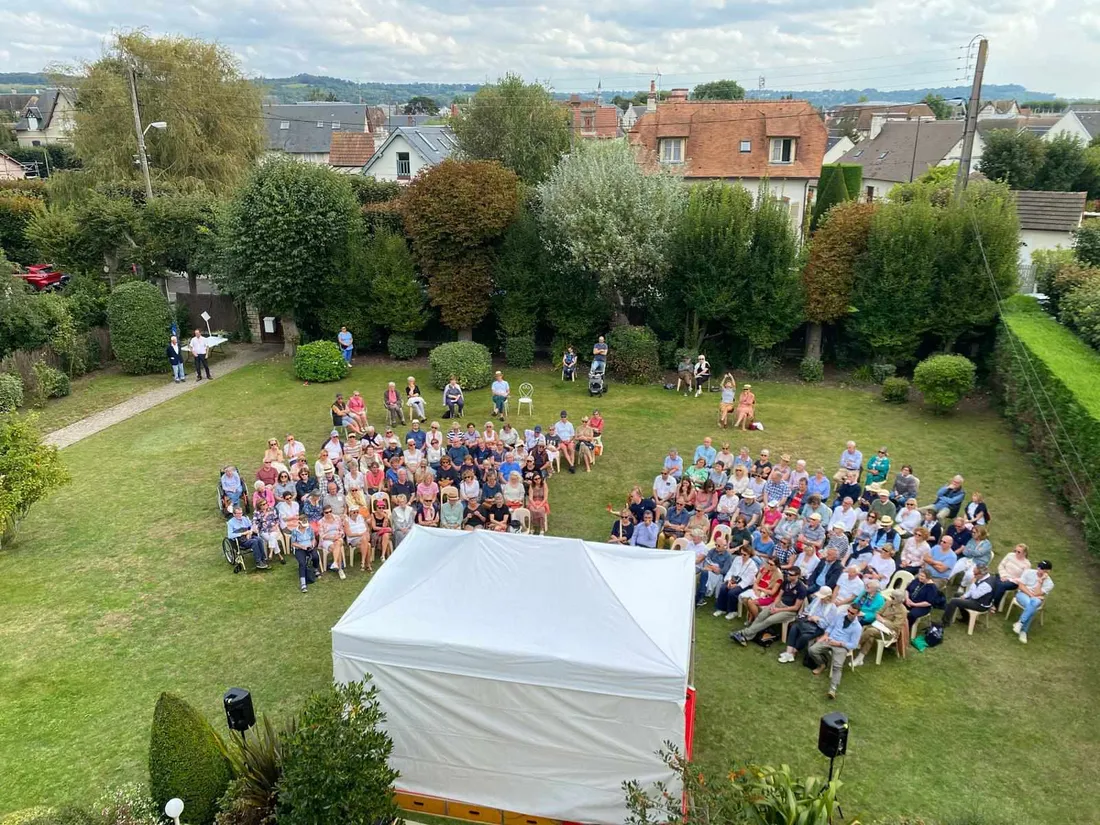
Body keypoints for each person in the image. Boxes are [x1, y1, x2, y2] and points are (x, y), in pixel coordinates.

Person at [731, 566, 806, 645]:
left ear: (797, 575)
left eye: (791, 575)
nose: (788, 576)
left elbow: (795, 607)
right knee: (761, 615)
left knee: (769, 620)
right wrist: (774, 604)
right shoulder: (786, 581)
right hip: (780, 604)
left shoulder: (801, 589)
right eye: (788, 574)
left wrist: (778, 610)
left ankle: (743, 633)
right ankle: (746, 637)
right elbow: (779, 596)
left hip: (789, 611)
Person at [806, 603, 863, 699]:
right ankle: (822, 664)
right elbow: (831, 626)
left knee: (837, 666)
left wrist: (839, 644)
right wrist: (825, 636)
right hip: (830, 640)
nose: (849, 613)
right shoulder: (840, 616)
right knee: (812, 650)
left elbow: (853, 644)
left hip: (841, 646)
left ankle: (832, 689)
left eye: (852, 613)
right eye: (848, 611)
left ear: (857, 614)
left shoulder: (857, 628)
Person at [778, 586, 838, 663]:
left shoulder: (832, 608)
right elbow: (807, 609)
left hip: (819, 627)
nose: (821, 599)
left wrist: (818, 620)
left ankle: (793, 653)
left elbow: (827, 624)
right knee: (794, 627)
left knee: (805, 636)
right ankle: (789, 652)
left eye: (823, 597)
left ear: (828, 597)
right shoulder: (817, 600)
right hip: (808, 621)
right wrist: (809, 615)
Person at [851, 588, 908, 668]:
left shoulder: (902, 611)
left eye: (892, 598)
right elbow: (878, 613)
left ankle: (852, 645)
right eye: (891, 596)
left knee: (870, 631)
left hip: (889, 633)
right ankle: (860, 659)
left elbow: (895, 626)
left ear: (898, 600)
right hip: (878, 626)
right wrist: (879, 618)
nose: (890, 598)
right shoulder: (888, 602)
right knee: (870, 636)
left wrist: (883, 621)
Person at [1013, 560, 1053, 644]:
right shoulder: (1028, 572)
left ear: (1048, 571)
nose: (1039, 569)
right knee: (1032, 606)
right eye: (1039, 566)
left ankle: (1020, 623)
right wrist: (1031, 595)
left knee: (1032, 604)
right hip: (1023, 594)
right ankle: (1023, 631)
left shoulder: (1050, 583)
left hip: (1035, 599)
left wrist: (1040, 581)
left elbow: (1037, 592)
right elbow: (1021, 586)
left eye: (1042, 568)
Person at [942, 565, 994, 629]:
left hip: (980, 605)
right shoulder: (982, 577)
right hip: (976, 599)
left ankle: (945, 622)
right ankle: (966, 618)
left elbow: (974, 596)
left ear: (981, 574)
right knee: (956, 594)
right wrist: (964, 596)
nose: (973, 575)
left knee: (954, 601)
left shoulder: (986, 585)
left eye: (975, 573)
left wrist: (973, 583)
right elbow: (972, 592)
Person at [991, 543, 1031, 612]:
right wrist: (1003, 575)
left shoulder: (1027, 564)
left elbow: (1024, 578)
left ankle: (994, 605)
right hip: (1002, 575)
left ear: (1024, 553)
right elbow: (1001, 565)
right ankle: (988, 600)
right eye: (1015, 550)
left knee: (1001, 585)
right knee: (992, 580)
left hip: (1014, 581)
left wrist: (1011, 579)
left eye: (1019, 552)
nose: (1016, 553)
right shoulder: (1010, 555)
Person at [695, 537, 733, 605]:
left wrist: (712, 568)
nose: (716, 547)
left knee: (704, 573)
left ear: (725, 546)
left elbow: (724, 570)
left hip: (719, 575)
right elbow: (706, 563)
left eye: (718, 545)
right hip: (709, 571)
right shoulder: (712, 551)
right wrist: (713, 568)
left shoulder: (728, 556)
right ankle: (700, 596)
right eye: (716, 544)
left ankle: (700, 596)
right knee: (704, 572)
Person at [742, 556, 782, 622]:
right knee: (744, 599)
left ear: (776, 566)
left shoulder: (779, 576)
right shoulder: (764, 569)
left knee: (750, 602)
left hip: (769, 596)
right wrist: (756, 589)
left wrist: (759, 589)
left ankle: (757, 620)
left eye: (771, 564)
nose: (769, 565)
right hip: (759, 591)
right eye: (768, 563)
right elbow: (756, 582)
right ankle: (753, 615)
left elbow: (772, 592)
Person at [905, 569, 940, 635]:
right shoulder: (917, 580)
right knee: (897, 603)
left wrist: (914, 604)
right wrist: (907, 599)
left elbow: (928, 602)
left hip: (922, 606)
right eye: (920, 575)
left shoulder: (932, 588)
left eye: (923, 576)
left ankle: (906, 629)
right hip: (909, 601)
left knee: (912, 614)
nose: (920, 577)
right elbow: (907, 590)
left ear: (928, 577)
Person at [289, 516, 319, 592]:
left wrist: (312, 544)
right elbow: (293, 543)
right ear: (299, 523)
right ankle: (303, 583)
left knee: (315, 556)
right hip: (300, 549)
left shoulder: (310, 528)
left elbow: (313, 538)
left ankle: (315, 569)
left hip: (309, 546)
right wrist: (302, 546)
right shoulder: (294, 531)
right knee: (302, 563)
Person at [318, 504, 346, 579]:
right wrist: (332, 537)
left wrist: (338, 536)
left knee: (338, 543)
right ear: (323, 513)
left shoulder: (337, 518)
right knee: (337, 548)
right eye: (326, 512)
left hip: (338, 537)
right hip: (327, 540)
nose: (329, 513)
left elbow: (342, 530)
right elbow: (322, 535)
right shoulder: (321, 522)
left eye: (330, 511)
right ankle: (340, 569)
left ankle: (335, 563)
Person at [344, 505, 370, 571]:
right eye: (354, 512)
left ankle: (364, 564)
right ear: (350, 512)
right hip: (353, 539)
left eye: (357, 512)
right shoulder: (347, 520)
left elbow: (367, 528)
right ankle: (366, 563)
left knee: (366, 542)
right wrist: (360, 534)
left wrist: (366, 533)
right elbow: (349, 534)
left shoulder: (361, 517)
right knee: (367, 544)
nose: (356, 514)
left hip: (364, 538)